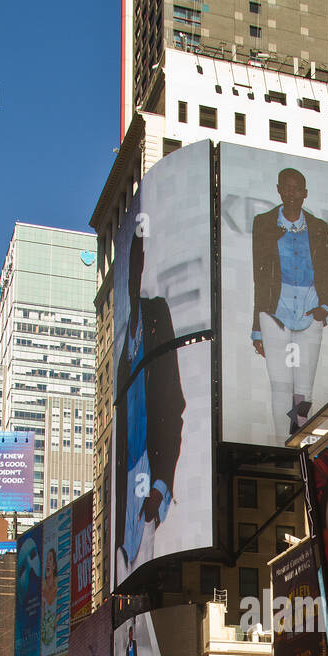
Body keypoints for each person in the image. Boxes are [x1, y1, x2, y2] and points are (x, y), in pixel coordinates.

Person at [115, 231, 185, 586]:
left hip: (149, 472)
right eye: (128, 266)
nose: (132, 274)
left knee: (149, 580)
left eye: (137, 263)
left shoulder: (158, 314)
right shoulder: (121, 355)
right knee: (123, 589)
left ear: (142, 268)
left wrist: (160, 486)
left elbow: (174, 402)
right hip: (125, 486)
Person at [251, 167, 328, 440]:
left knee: (303, 390)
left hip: (308, 310)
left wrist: (324, 310)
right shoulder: (263, 224)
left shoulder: (319, 228)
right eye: (285, 188)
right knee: (280, 386)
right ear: (278, 190)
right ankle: (282, 443)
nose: (290, 194)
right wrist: (257, 327)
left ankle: (300, 440)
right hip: (274, 313)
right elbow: (260, 276)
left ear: (305, 194)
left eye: (296, 189)